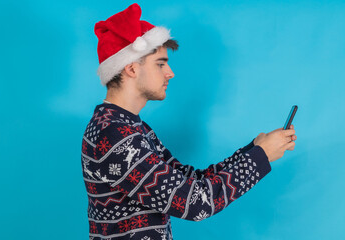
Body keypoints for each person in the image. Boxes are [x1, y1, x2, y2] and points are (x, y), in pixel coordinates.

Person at [81, 3, 297, 240]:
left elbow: (190, 180)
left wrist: (255, 148)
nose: (170, 72)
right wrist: (260, 157)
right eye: (160, 64)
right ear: (131, 69)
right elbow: (196, 203)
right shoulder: (115, 134)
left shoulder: (129, 126)